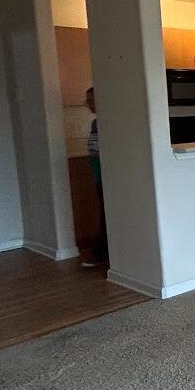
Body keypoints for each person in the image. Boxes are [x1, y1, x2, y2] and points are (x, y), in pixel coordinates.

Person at [82, 87, 109, 269]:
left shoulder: (105, 123)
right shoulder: (96, 123)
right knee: (106, 215)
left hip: (107, 178)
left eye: (91, 100)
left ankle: (99, 254)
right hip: (100, 177)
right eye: (87, 100)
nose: (88, 104)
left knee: (107, 217)